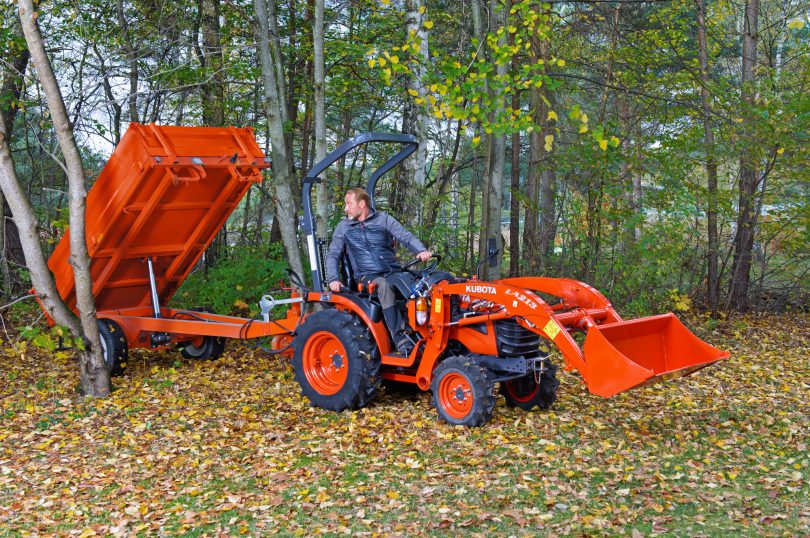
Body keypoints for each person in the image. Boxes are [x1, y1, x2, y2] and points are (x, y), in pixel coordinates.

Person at [325, 188, 432, 352]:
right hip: (366, 276)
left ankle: (427, 330)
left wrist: (421, 250)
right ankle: (400, 337)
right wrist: (333, 279)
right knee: (383, 285)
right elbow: (333, 254)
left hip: (392, 271)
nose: (346, 208)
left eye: (349, 204)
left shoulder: (383, 219)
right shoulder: (344, 227)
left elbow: (405, 236)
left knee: (422, 283)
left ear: (361, 204)